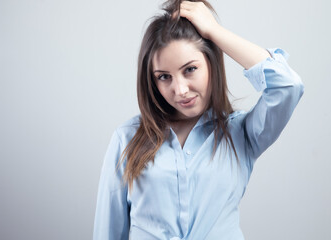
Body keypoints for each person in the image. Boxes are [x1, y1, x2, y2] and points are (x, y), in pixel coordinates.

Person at [93, 0, 304, 239]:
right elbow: (107, 232)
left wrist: (215, 32)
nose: (180, 89)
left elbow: (288, 85)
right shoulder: (126, 138)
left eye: (190, 69)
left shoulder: (241, 134)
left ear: (211, 64)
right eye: (164, 77)